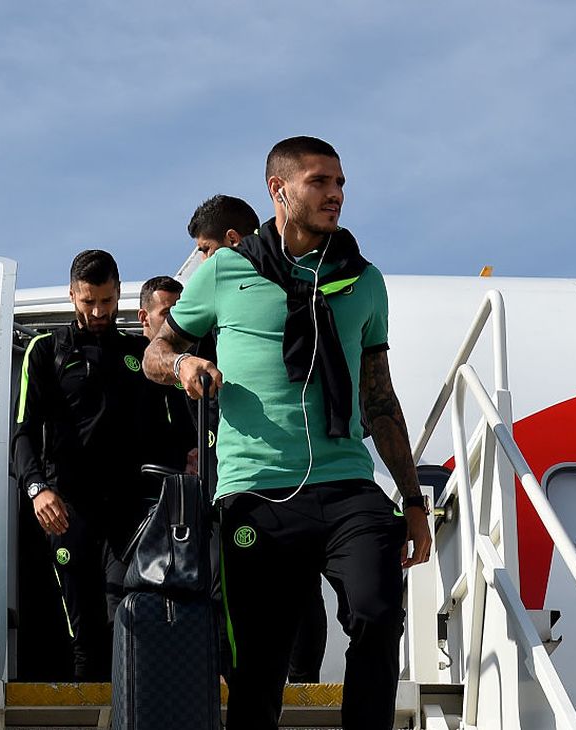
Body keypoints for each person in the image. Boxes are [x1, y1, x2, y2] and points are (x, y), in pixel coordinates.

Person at [144, 137, 433, 729]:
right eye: (320, 182)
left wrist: (411, 498)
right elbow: (156, 350)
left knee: (378, 614)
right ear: (279, 191)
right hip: (257, 493)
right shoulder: (226, 271)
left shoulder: (364, 280)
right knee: (257, 667)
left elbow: (378, 396)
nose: (336, 195)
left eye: (341, 183)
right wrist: (184, 366)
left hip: (347, 483)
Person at [186, 193, 329, 684]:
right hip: (231, 477)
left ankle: (299, 681)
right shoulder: (214, 310)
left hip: (282, 474)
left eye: (204, 251)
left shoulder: (297, 290)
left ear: (229, 243)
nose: (201, 265)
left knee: (298, 588)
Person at [12, 249, 166, 681]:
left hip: (128, 511)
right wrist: (36, 489)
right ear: (72, 296)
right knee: (82, 632)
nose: (98, 312)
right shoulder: (45, 352)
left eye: (106, 301)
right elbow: (23, 434)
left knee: (123, 617)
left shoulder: (141, 353)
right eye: (88, 302)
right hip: (68, 509)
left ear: (118, 294)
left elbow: (168, 430)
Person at [137, 276, 196, 473]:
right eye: (167, 313)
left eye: (179, 312)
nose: (175, 320)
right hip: (140, 484)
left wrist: (198, 452)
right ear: (144, 317)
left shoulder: (192, 362)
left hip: (189, 484)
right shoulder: (127, 361)